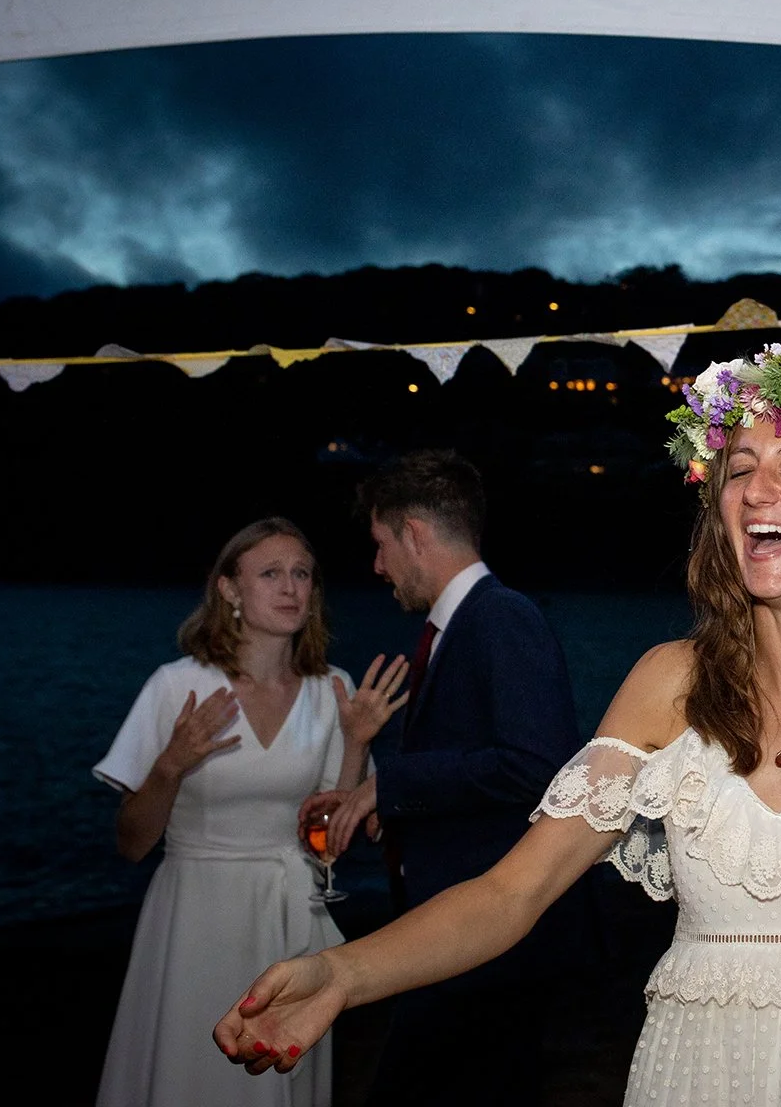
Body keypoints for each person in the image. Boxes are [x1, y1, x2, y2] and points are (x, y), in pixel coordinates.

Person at [215, 345, 781, 1106]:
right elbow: (511, 893)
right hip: (695, 1074)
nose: (757, 491)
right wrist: (341, 973)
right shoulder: (666, 683)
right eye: (738, 470)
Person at [91, 518, 409, 1107]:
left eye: (302, 574)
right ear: (229, 588)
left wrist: (356, 743)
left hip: (291, 917)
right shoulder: (177, 686)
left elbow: (328, 844)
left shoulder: (331, 690)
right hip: (194, 919)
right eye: (270, 573)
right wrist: (170, 765)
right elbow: (131, 844)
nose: (290, 587)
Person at [303, 448, 580, 1105]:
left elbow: (538, 765)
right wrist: (392, 807)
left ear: (415, 534)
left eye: (381, 544)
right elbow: (481, 769)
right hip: (459, 938)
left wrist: (393, 785)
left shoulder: (501, 615)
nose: (377, 566)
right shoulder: (459, 626)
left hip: (487, 946)